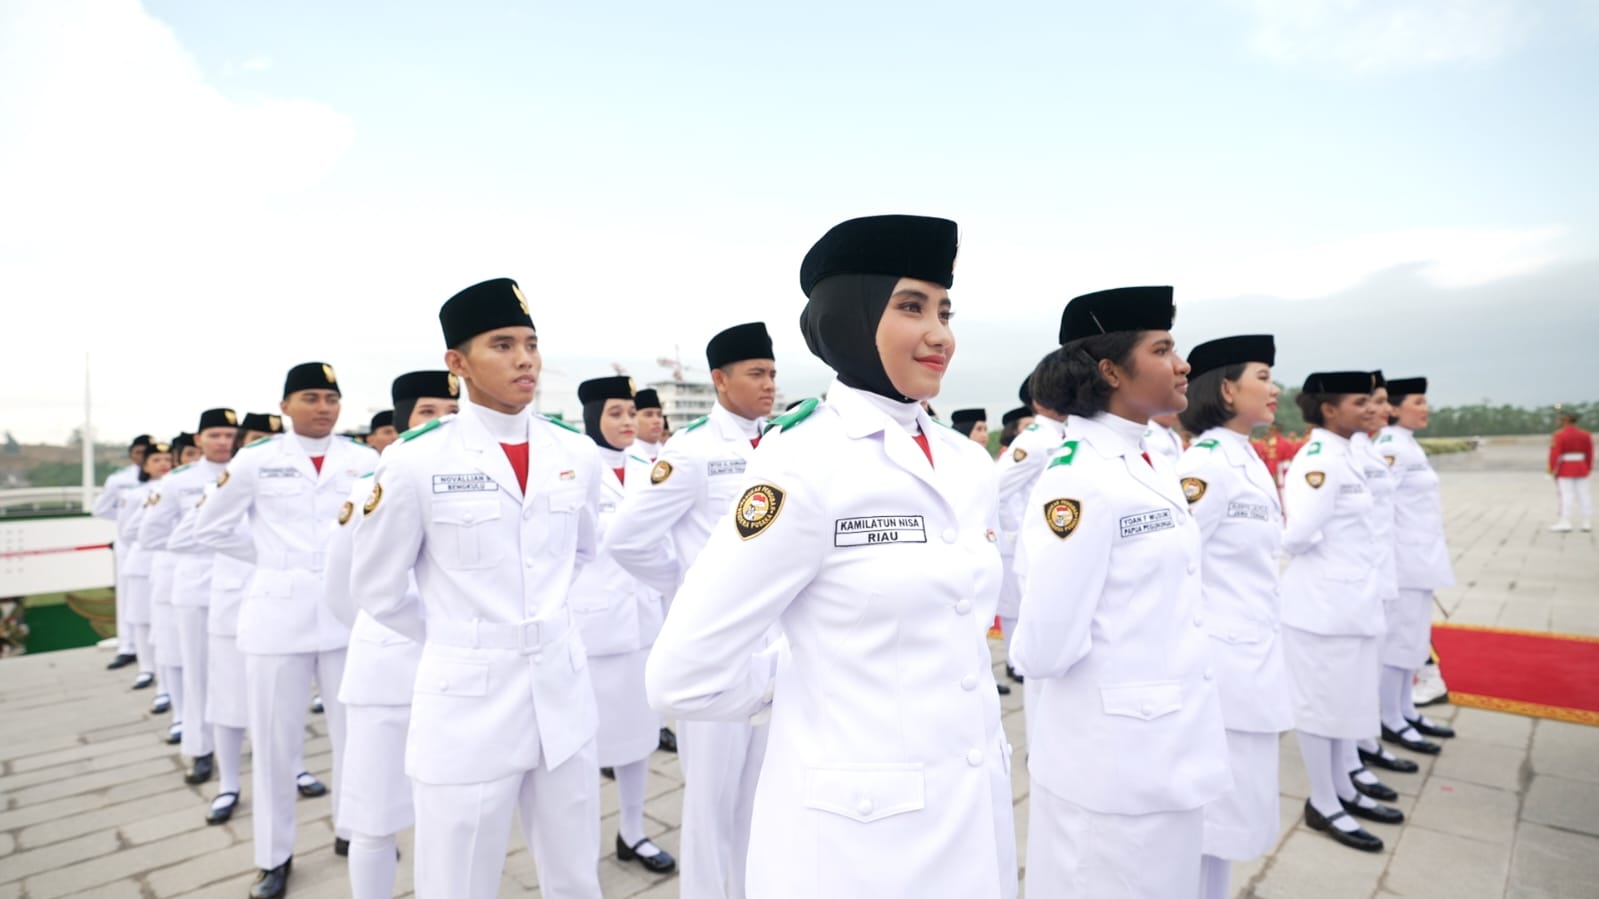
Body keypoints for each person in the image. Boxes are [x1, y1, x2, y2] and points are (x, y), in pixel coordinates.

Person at [647, 213, 1018, 898]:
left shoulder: (968, 463)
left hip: (969, 808)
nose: (939, 332)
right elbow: (682, 675)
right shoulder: (802, 462)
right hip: (857, 840)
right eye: (910, 306)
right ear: (849, 315)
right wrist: (811, 681)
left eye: (944, 308)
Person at [349, 278, 604, 899]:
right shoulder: (414, 461)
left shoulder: (575, 452)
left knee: (576, 874)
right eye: (503, 344)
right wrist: (457, 638)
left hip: (561, 692)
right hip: (467, 704)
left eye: (532, 344)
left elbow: (583, 552)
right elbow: (379, 588)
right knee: (458, 878)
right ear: (456, 363)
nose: (525, 360)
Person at [1012, 286, 1229, 898]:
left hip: (1166, 748)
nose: (1183, 363)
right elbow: (1045, 646)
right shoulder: (1079, 478)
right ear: (1110, 370)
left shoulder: (1151, 459)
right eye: (1163, 349)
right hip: (1113, 762)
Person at [607, 321, 778, 899]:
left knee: (765, 793)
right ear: (719, 380)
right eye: (756, 373)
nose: (769, 384)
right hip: (718, 648)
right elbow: (626, 539)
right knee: (711, 800)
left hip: (780, 645)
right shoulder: (693, 451)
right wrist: (689, 589)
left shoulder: (781, 443)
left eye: (773, 372)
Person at [196, 362, 376, 899]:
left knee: (357, 737)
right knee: (275, 744)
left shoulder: (364, 459)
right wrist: (273, 561)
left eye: (331, 398)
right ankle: (274, 857)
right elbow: (212, 525)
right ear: (285, 405)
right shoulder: (256, 460)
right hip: (277, 617)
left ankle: (354, 829)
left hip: (346, 615)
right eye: (311, 397)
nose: (323, 407)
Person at [323, 369, 459, 899]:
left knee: (447, 819)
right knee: (374, 818)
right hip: (384, 676)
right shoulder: (364, 495)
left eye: (452, 412)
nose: (442, 424)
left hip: (455, 677)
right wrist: (385, 636)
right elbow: (342, 594)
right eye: (428, 412)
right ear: (402, 421)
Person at [1175, 336, 1294, 899]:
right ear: (1226, 388)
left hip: (1252, 655)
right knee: (1213, 820)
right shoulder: (1206, 463)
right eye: (1263, 376)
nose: (1274, 389)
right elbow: (1174, 566)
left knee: (1233, 819)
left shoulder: (1246, 456)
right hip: (1221, 665)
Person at [1281, 371, 1405, 854]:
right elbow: (1298, 535)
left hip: (1350, 603)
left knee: (1344, 705)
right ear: (1329, 409)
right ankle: (1323, 801)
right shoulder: (1318, 461)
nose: (1373, 407)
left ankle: (1344, 789)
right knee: (1318, 708)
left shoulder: (1344, 455)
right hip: (1322, 607)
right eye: (1360, 400)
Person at [570, 375, 677, 875]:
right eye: (615, 413)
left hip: (641, 626)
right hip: (592, 631)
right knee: (584, 752)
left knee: (639, 741)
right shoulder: (572, 468)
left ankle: (632, 831)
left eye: (631, 414)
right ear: (593, 416)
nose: (627, 423)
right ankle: (577, 852)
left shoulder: (651, 467)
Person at [141, 408, 239, 782]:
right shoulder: (178, 482)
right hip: (197, 586)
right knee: (197, 672)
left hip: (242, 586)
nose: (223, 442)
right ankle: (201, 747)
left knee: (240, 672)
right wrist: (199, 544)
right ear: (199, 440)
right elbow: (151, 535)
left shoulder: (249, 471)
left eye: (230, 435)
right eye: (215, 435)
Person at [1378, 377, 1458, 747]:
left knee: (1412, 643)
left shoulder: (1407, 444)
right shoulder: (1391, 446)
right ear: (1393, 408)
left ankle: (1405, 710)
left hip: (1419, 558)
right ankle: (1389, 717)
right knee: (1399, 644)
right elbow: (1379, 506)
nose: (1425, 408)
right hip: (1403, 561)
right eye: (1418, 401)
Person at [995, 363, 1068, 693]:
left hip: (1055, 544)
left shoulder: (1064, 437)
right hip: (1027, 547)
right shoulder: (1035, 441)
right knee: (1023, 612)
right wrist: (1011, 533)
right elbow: (994, 490)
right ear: (1039, 402)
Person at [144, 431, 199, 743]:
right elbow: (149, 534)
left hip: (219, 580)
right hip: (173, 574)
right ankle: (181, 715)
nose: (196, 459)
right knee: (174, 653)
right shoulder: (174, 484)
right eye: (189, 454)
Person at [119, 441, 174, 692]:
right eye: (156, 460)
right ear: (145, 465)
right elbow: (126, 532)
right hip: (142, 563)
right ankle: (146, 668)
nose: (163, 464)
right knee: (142, 619)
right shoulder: (133, 494)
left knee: (165, 621)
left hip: (170, 564)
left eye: (167, 459)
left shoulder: (179, 486)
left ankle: (166, 675)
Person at [97, 434, 153, 670]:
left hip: (156, 547)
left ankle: (150, 647)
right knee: (128, 597)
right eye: (139, 452)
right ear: (131, 454)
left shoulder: (164, 477)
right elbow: (100, 509)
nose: (142, 456)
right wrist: (126, 521)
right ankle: (128, 647)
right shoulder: (119, 480)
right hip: (128, 546)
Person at [1549, 408, 1593, 532]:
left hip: (1566, 468)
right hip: (1581, 467)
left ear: (1564, 420)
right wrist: (1588, 467)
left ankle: (1565, 521)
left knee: (1566, 495)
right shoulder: (1586, 434)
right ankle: (1586, 522)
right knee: (1584, 495)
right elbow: (1589, 453)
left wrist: (1551, 469)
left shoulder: (1559, 435)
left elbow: (1555, 454)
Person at [634, 387, 666, 459]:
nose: (657, 421)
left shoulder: (670, 454)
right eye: (648, 415)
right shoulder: (625, 455)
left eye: (659, 415)